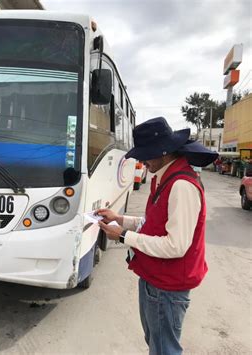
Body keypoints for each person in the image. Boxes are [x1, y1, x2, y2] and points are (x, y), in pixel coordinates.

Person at [96, 117, 218, 355]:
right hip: (156, 281)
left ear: (163, 151)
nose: (143, 161)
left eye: (146, 154)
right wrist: (120, 219)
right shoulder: (166, 178)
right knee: (157, 343)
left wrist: (122, 236)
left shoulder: (181, 185)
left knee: (164, 350)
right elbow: (153, 225)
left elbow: (176, 246)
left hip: (167, 287)